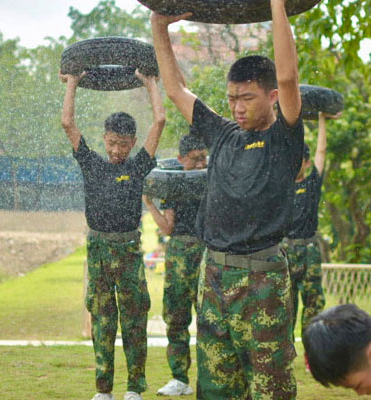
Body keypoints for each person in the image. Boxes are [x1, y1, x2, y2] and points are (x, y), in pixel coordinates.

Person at [150, 0, 304, 396]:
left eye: (247, 97)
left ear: (272, 96)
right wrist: (159, 28)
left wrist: (277, 5)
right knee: (216, 388)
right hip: (214, 275)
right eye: (232, 97)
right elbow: (176, 90)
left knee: (271, 388)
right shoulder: (221, 134)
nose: (237, 107)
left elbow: (288, 77)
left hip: (263, 278)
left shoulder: (283, 138)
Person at [60, 69, 165, 400]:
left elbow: (159, 121)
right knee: (102, 321)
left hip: (128, 251)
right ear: (104, 138)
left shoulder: (137, 166)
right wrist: (73, 82)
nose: (116, 149)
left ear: (132, 143)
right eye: (111, 142)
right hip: (98, 250)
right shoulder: (92, 164)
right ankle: (103, 390)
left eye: (122, 144)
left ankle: (134, 388)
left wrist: (150, 83)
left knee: (134, 320)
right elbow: (67, 124)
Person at [142, 133, 207, 396]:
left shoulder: (212, 182)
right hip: (179, 253)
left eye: (204, 157)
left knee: (210, 319)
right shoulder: (173, 184)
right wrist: (149, 204)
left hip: (208, 252)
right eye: (195, 159)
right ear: (181, 159)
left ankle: (211, 378)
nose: (201, 164)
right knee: (176, 317)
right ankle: (179, 378)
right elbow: (168, 227)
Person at [284, 112, 338, 343]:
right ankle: (284, 353)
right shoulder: (280, 185)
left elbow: (321, 152)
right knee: (285, 305)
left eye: (298, 159)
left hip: (308, 250)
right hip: (284, 251)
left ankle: (312, 351)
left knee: (313, 302)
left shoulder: (311, 183)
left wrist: (322, 119)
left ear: (306, 162)